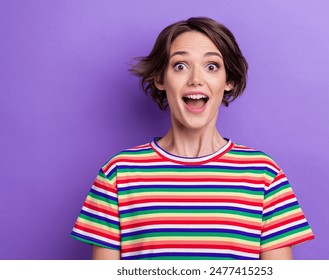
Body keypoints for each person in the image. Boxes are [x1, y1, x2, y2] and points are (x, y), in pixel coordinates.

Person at [70, 17, 314, 260]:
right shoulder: (118, 174)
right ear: (160, 79)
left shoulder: (264, 175)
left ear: (228, 81)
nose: (196, 79)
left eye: (211, 66)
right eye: (180, 66)